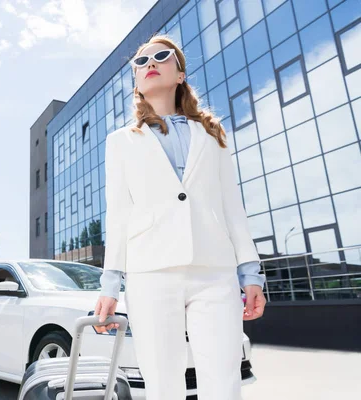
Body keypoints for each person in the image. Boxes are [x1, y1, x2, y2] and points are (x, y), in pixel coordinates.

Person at [93, 35, 267, 400]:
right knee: (162, 383)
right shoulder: (121, 141)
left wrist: (250, 273)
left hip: (214, 271)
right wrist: (110, 286)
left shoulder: (213, 135)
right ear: (137, 83)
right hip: (150, 273)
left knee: (223, 380)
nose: (149, 63)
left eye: (160, 56)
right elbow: (119, 215)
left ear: (180, 73)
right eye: (140, 62)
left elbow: (232, 206)